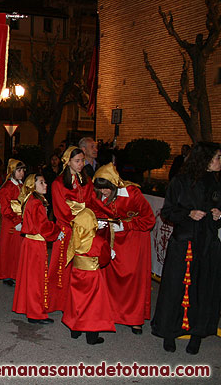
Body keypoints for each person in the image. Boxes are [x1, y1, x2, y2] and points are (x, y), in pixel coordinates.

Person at [152, 142, 221, 355]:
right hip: (184, 242)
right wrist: (188, 214)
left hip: (207, 243)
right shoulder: (180, 182)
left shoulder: (217, 182)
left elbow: (218, 215)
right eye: (217, 157)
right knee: (175, 288)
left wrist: (218, 215)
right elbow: (168, 212)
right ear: (205, 159)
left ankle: (197, 334)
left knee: (204, 289)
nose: (220, 161)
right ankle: (169, 332)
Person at [49, 146, 112, 314]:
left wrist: (106, 214)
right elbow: (61, 210)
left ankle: (77, 301)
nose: (81, 164)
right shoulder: (58, 183)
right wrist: (79, 221)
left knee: (80, 268)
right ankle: (58, 301)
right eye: (77, 161)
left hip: (84, 228)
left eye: (82, 161)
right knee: (62, 266)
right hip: (69, 227)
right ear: (68, 162)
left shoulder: (86, 181)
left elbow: (93, 202)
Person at [93, 163, 155, 334]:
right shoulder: (98, 195)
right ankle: (111, 313)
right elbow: (94, 212)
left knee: (132, 280)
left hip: (133, 241)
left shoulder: (133, 194)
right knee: (111, 278)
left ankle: (134, 319)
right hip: (112, 241)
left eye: (106, 189)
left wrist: (126, 225)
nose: (103, 192)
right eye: (100, 189)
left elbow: (149, 220)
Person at [12, 174, 63, 324]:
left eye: (45, 181)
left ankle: (28, 308)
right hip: (35, 245)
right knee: (36, 279)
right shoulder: (36, 203)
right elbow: (43, 225)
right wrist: (57, 231)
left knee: (29, 278)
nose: (45, 184)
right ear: (32, 185)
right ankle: (35, 313)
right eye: (41, 182)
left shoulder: (32, 201)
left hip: (30, 243)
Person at [62, 207, 115, 345]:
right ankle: (92, 336)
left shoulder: (75, 239)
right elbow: (104, 260)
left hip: (76, 273)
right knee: (93, 305)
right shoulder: (98, 241)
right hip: (92, 276)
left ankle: (75, 330)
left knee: (77, 301)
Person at [0, 159, 26, 286]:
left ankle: (16, 273)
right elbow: (5, 208)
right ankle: (7, 274)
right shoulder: (7, 188)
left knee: (18, 249)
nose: (21, 173)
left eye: (23, 170)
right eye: (19, 170)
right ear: (12, 171)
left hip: (21, 220)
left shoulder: (22, 186)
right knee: (9, 249)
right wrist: (15, 221)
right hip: (11, 222)